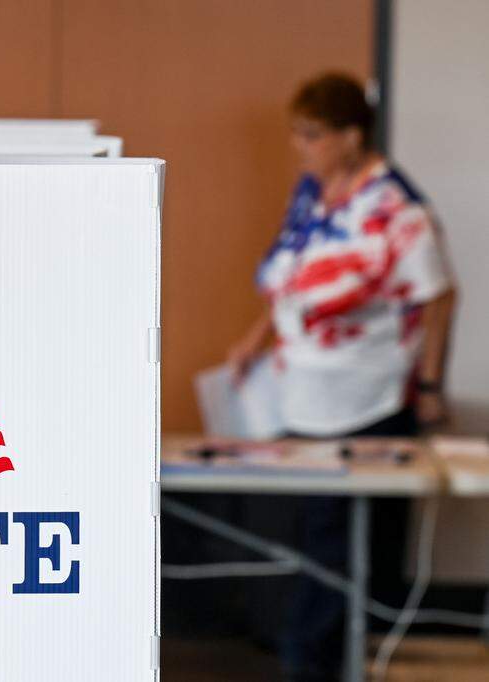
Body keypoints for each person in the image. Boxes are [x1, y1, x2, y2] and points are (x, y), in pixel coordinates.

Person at [228, 73, 457, 679]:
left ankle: (314, 665)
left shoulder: (394, 208)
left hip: (364, 396)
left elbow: (438, 296)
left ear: (351, 137)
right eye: (297, 134)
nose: (300, 146)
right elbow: (292, 285)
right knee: (304, 535)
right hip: (299, 392)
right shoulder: (312, 194)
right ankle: (309, 655)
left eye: (312, 134)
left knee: (336, 547)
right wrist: (257, 338)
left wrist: (429, 386)